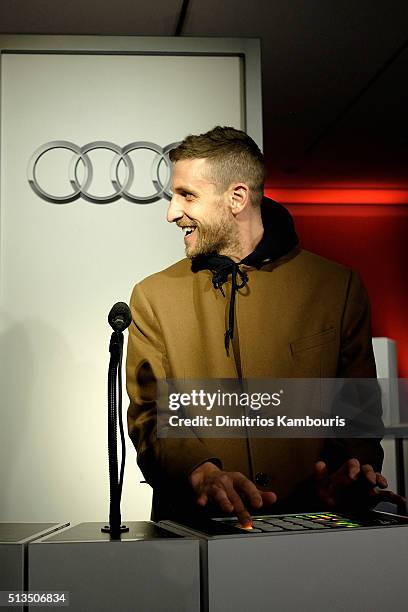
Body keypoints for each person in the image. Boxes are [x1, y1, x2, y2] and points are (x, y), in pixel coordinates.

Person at [126, 126, 393, 527]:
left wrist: (351, 474)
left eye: (187, 195)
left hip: (315, 533)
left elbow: (357, 412)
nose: (171, 212)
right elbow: (150, 414)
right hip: (194, 535)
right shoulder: (152, 296)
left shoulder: (338, 287)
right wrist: (201, 471)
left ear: (237, 198)